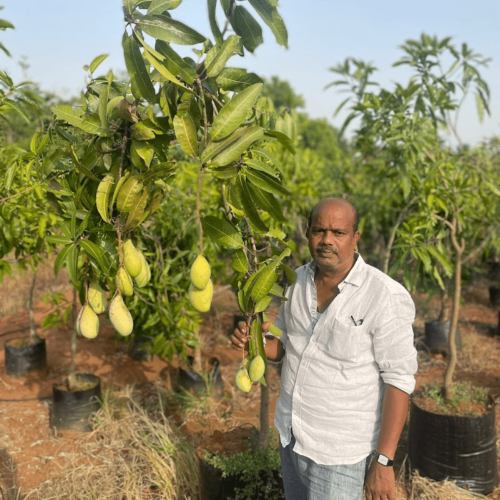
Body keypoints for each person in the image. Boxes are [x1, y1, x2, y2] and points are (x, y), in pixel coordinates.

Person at [231, 198, 418, 500]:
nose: (327, 240)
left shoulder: (384, 295)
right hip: (291, 435)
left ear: (355, 238)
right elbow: (283, 345)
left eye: (338, 233)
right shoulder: (295, 282)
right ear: (307, 234)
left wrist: (383, 460)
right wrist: (254, 341)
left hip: (340, 453)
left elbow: (399, 380)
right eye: (319, 231)